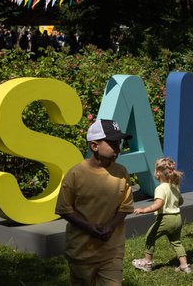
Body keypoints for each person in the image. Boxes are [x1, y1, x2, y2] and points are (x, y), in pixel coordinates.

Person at [55, 119, 134, 286]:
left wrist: (111, 226)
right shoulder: (75, 174)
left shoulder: (121, 172)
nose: (118, 148)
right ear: (94, 146)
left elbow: (125, 206)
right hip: (82, 252)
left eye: (119, 143)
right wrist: (88, 227)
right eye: (112, 143)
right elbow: (64, 208)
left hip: (111, 251)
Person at [132, 157, 191, 274]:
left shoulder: (160, 188)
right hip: (177, 218)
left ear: (158, 172)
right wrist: (172, 202)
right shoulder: (174, 187)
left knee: (150, 237)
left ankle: (147, 263)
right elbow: (181, 202)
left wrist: (144, 210)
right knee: (176, 242)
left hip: (165, 218)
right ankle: (184, 266)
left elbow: (158, 204)